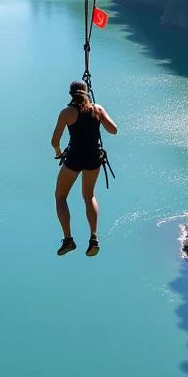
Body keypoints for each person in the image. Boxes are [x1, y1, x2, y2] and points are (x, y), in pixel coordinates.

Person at [51, 80, 118, 257]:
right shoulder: (97, 109)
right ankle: (94, 237)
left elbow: (54, 141)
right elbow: (113, 130)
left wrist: (59, 153)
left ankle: (68, 240)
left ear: (71, 94)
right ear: (87, 92)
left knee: (60, 196)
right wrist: (99, 115)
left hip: (74, 158)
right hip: (93, 158)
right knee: (89, 196)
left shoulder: (67, 113)